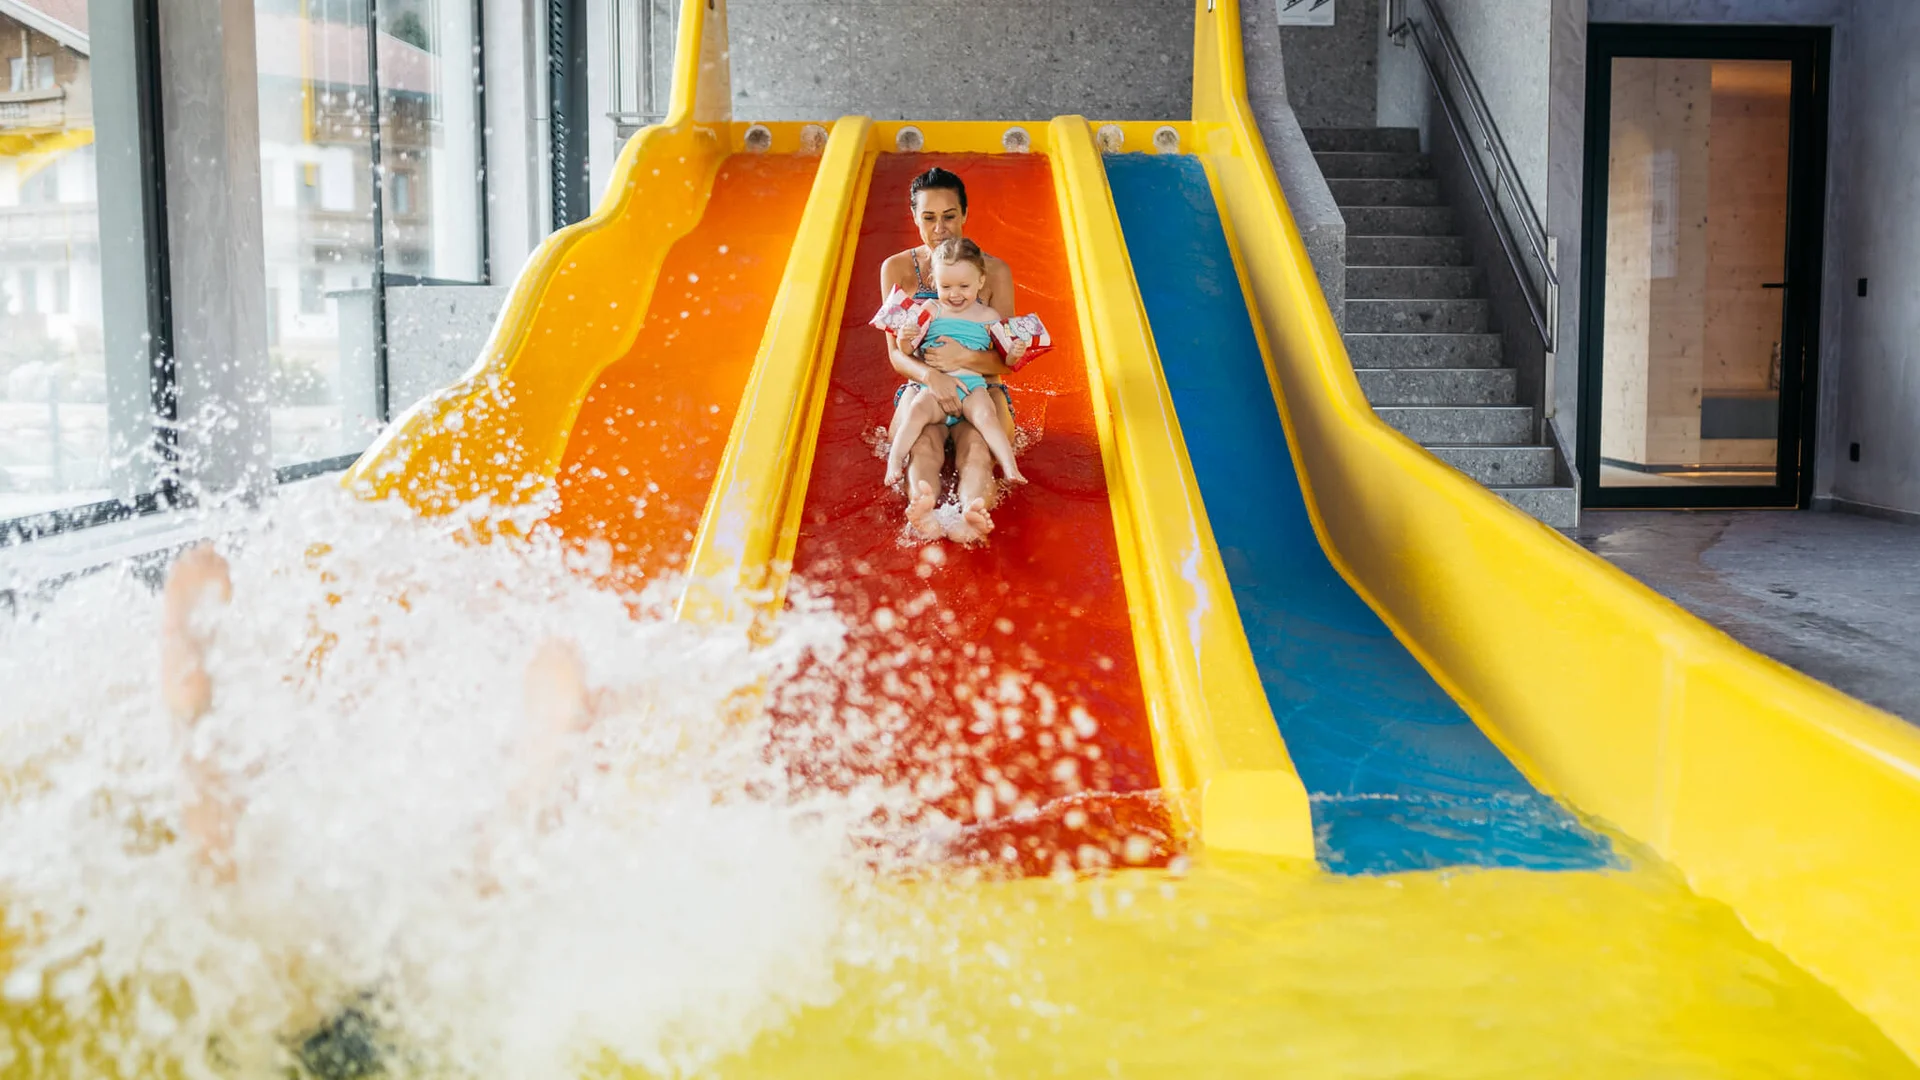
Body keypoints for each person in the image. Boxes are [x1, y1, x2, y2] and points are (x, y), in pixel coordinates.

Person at [879, 167, 1019, 542]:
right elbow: (896, 355)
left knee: (977, 449)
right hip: (925, 388)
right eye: (929, 217)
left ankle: (972, 516)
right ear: (914, 217)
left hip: (980, 390)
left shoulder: (995, 272)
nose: (940, 227)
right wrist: (932, 377)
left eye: (949, 216)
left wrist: (962, 359)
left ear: (965, 214)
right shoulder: (896, 269)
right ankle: (923, 512)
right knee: (920, 445)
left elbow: (1009, 361)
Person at [884, 238, 1025, 489]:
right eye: (946, 286)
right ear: (934, 283)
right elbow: (906, 350)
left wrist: (1015, 350)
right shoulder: (930, 309)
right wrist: (905, 338)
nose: (955, 294)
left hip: (972, 386)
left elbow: (1006, 360)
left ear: (981, 282)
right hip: (933, 389)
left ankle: (1009, 465)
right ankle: (894, 461)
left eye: (964, 286)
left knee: (986, 415)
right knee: (916, 412)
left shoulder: (989, 317)